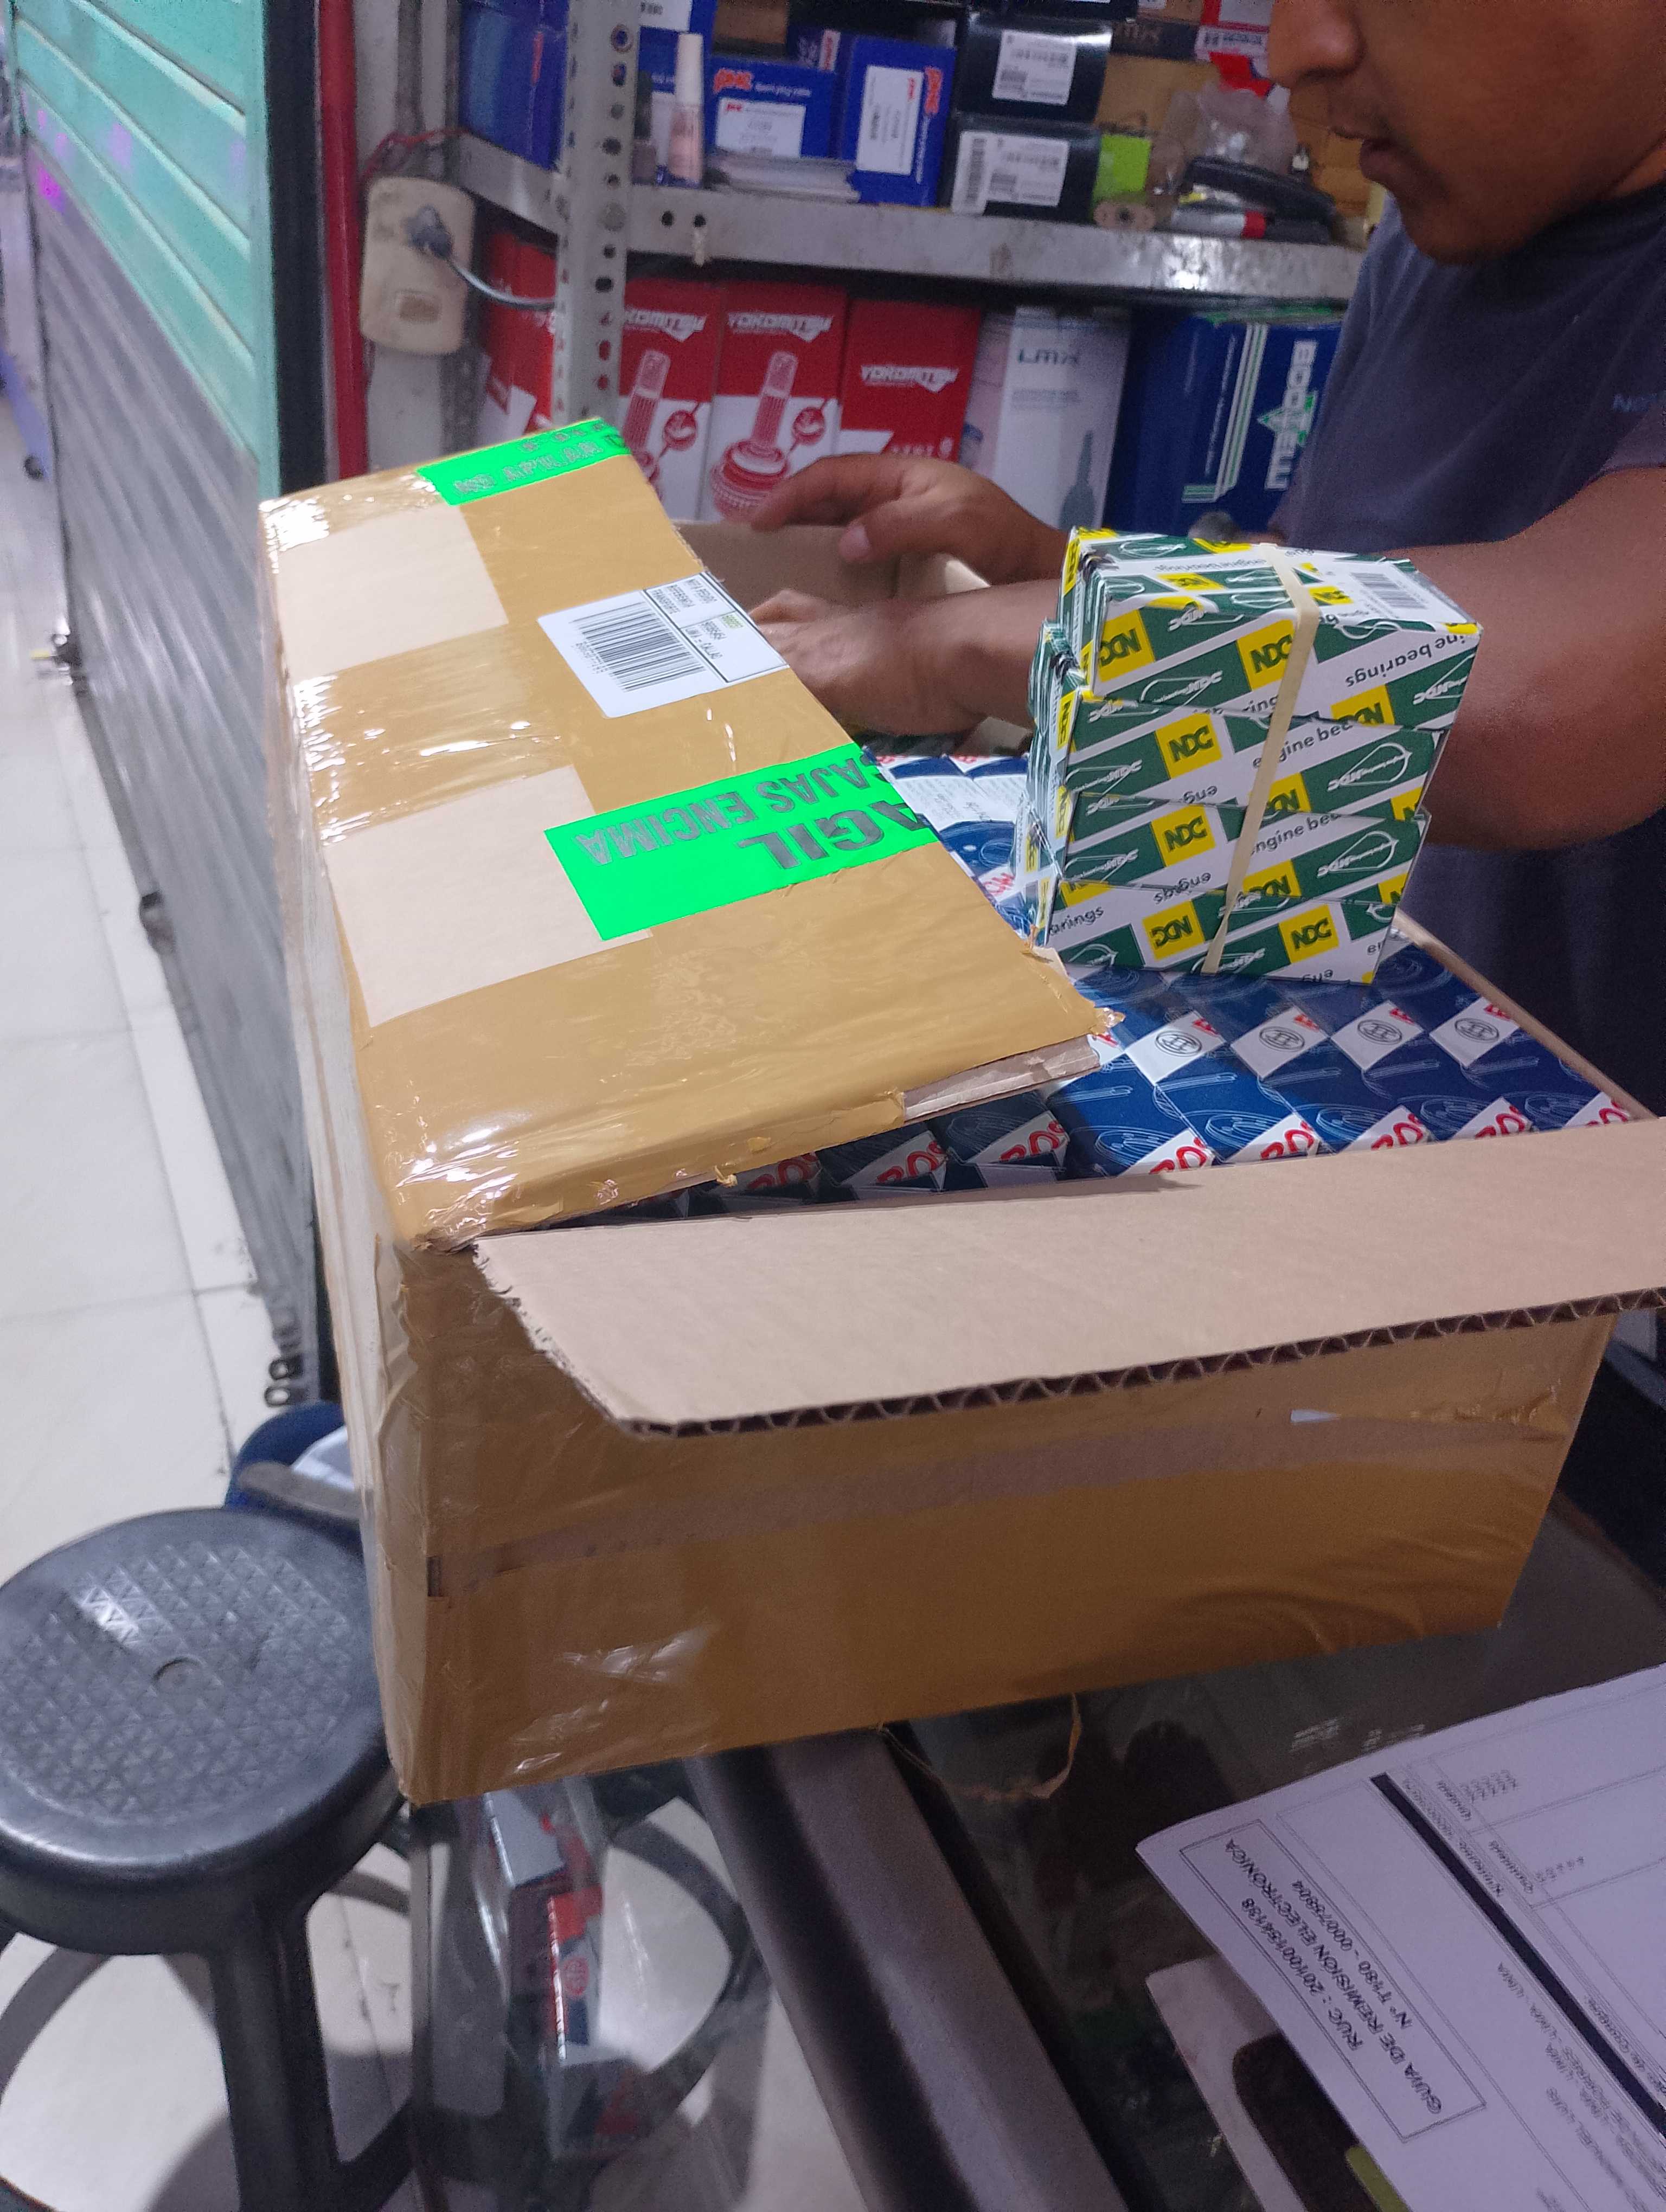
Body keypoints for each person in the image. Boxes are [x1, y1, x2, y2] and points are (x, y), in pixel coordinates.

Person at [749, 0, 1666, 1112]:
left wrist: (966, 641)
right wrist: (1053, 567)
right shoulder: (1442, 247)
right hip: (1361, 1078)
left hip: (1582, 1187)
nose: (1295, 52)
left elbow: (1554, 696)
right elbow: (1322, 597)